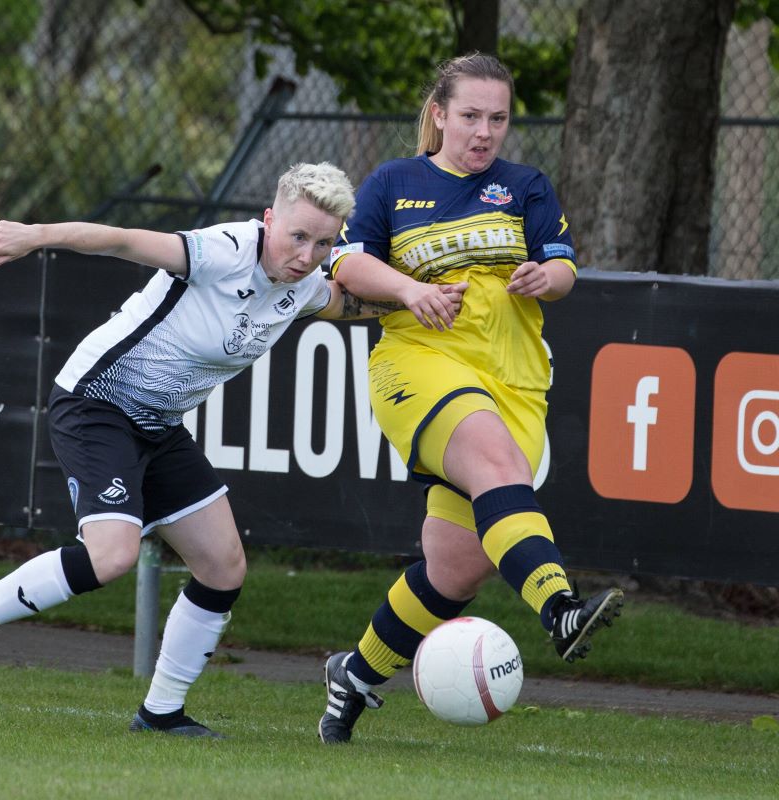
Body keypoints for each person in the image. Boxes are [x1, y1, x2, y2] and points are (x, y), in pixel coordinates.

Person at [0, 162, 467, 738]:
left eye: (324, 243)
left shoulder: (304, 286)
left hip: (158, 425)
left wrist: (419, 296)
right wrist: (36, 235)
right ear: (269, 219)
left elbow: (344, 303)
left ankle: (159, 714)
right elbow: (122, 240)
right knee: (111, 556)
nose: (306, 254)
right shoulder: (223, 249)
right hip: (96, 403)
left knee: (223, 566)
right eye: (297, 236)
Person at [316, 53, 624, 745]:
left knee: (455, 568)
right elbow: (347, 261)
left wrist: (547, 277)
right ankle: (560, 610)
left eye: (499, 118)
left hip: (515, 377)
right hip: (420, 362)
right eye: (470, 116)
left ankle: (355, 677)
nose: (485, 132)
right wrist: (410, 290)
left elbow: (565, 265)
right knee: (493, 462)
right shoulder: (396, 182)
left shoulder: (526, 185)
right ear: (438, 115)